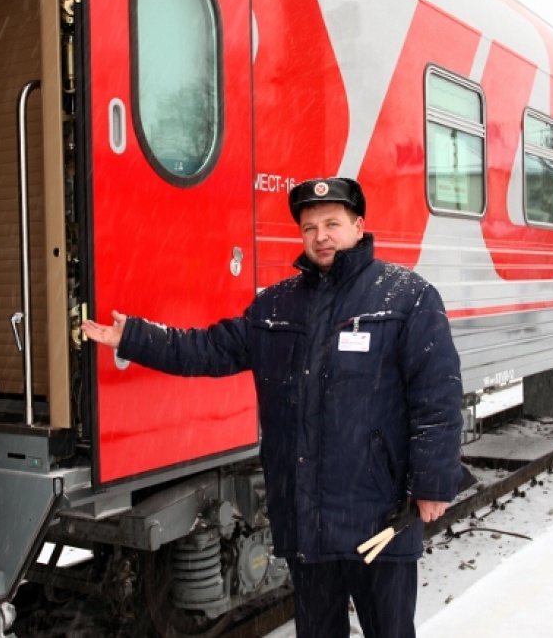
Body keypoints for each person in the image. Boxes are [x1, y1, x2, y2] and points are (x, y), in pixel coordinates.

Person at [81, 177, 463, 637]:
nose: (320, 235)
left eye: (332, 223)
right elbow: (208, 350)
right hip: (308, 521)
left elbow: (436, 394)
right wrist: (135, 338)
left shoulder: (407, 296)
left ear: (359, 227)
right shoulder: (276, 306)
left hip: (379, 517)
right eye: (309, 227)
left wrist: (433, 484)